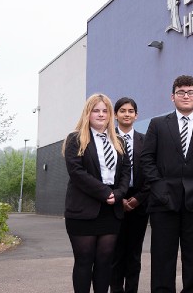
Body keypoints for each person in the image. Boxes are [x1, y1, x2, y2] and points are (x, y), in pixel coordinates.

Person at [140, 75, 193, 293]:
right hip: (163, 202)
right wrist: (158, 187)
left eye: (190, 92)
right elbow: (147, 159)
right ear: (172, 97)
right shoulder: (158, 124)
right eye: (181, 92)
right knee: (162, 257)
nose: (185, 96)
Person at [62, 93, 131, 293]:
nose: (101, 114)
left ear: (110, 115)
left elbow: (126, 172)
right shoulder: (75, 139)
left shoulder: (119, 141)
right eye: (96, 110)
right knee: (84, 260)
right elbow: (76, 172)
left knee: (105, 261)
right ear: (88, 113)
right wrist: (104, 192)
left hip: (111, 210)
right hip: (83, 209)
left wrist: (118, 194)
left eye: (105, 111)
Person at [111, 97, 150, 293]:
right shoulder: (107, 139)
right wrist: (119, 197)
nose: (127, 114)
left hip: (139, 201)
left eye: (130, 111)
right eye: (122, 111)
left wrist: (138, 199)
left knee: (134, 253)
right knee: (115, 253)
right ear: (115, 115)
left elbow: (152, 172)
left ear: (136, 115)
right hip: (113, 200)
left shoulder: (146, 140)